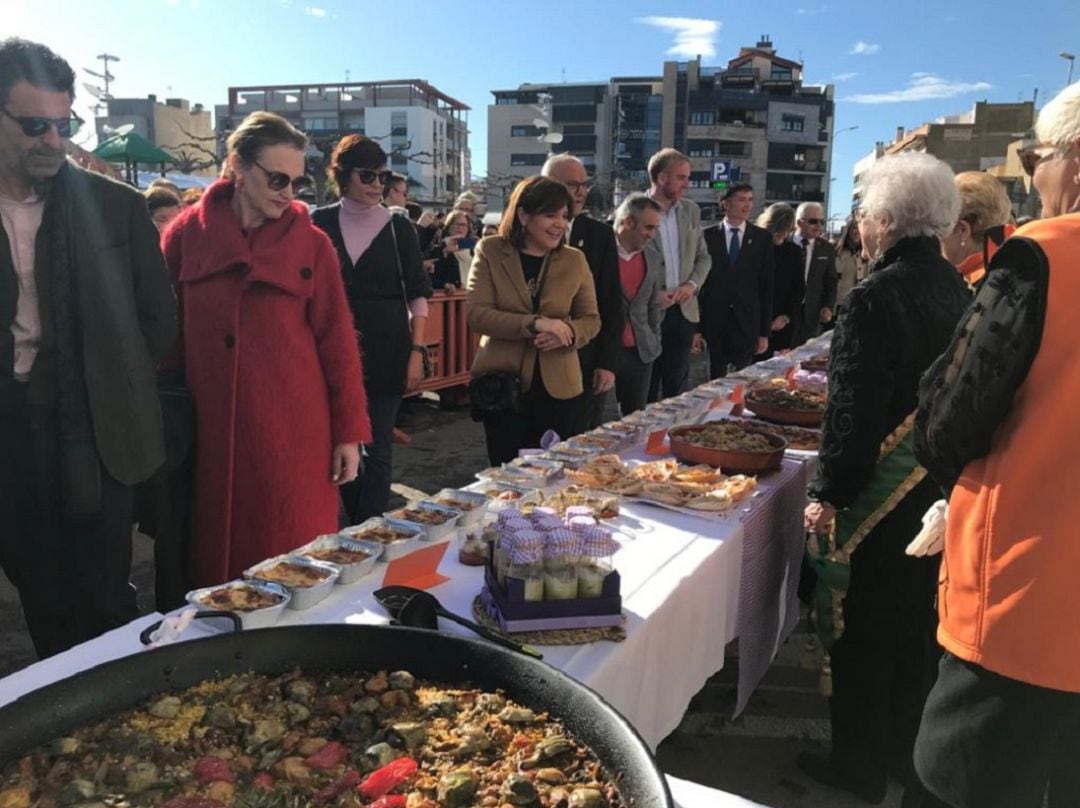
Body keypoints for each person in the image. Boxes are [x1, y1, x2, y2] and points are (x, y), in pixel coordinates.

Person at [912, 81, 1080, 808]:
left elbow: (949, 420)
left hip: (1029, 602)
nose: (1034, 173)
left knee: (967, 785)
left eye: (1037, 155)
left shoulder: (1043, 255)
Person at [799, 153, 972, 805]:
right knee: (910, 632)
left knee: (861, 631)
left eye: (865, 214)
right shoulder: (956, 287)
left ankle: (857, 764)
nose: (861, 227)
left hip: (876, 496)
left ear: (888, 220)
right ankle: (903, 753)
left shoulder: (874, 295)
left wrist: (827, 493)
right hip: (931, 490)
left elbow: (852, 409)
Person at [0, 38, 177, 656]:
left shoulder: (114, 207)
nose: (54, 139)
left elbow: (157, 321)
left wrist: (108, 377)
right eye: (34, 125)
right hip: (11, 434)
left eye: (64, 123)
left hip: (99, 430)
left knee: (105, 593)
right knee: (40, 592)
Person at [164, 112, 370, 585]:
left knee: (293, 569)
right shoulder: (183, 236)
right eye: (278, 178)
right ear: (238, 165)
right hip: (209, 437)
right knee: (219, 578)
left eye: (297, 182)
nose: (288, 193)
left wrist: (349, 432)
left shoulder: (313, 245)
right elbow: (165, 334)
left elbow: (337, 341)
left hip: (294, 437)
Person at [312, 135, 432, 524]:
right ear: (343, 176)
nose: (377, 183)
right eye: (368, 175)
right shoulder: (319, 223)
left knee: (377, 447)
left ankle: (369, 527)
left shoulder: (400, 228)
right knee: (337, 442)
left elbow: (418, 295)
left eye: (384, 175)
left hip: (388, 345)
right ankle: (358, 522)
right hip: (328, 347)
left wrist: (417, 352)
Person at [466, 176, 600, 464]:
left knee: (556, 476)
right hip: (502, 389)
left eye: (564, 216)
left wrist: (568, 331)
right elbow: (477, 315)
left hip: (560, 389)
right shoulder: (490, 250)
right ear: (524, 215)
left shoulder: (574, 259)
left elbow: (591, 319)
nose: (559, 224)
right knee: (505, 478)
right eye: (549, 215)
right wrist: (535, 324)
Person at [542, 153, 622, 431]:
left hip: (586, 362)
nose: (580, 192)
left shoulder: (600, 235)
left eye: (584, 185)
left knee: (582, 442)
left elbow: (611, 303)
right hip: (536, 363)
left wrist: (607, 363)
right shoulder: (523, 235)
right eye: (572, 185)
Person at [644, 148, 711, 400]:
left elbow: (704, 257)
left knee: (677, 389)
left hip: (684, 312)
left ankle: (671, 437)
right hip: (650, 313)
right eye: (682, 177)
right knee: (645, 389)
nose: (688, 184)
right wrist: (654, 295)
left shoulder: (691, 210)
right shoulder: (633, 210)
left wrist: (692, 285)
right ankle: (642, 439)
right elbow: (624, 264)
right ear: (662, 178)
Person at [698, 183, 774, 377]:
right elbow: (699, 284)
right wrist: (696, 329)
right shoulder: (706, 236)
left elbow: (766, 287)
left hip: (747, 323)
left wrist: (764, 332)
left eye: (750, 200)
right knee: (714, 381)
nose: (747, 205)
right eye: (741, 199)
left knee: (742, 382)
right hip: (714, 322)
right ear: (726, 204)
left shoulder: (762, 238)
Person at [612, 193, 663, 415]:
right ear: (627, 222)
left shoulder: (652, 257)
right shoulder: (600, 252)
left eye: (655, 229)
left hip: (641, 351)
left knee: (635, 419)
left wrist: (654, 336)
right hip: (606, 351)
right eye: (648, 228)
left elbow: (653, 304)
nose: (652, 235)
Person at [939, 170, 1014, 287]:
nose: (936, 238)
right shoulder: (1015, 267)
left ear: (962, 230)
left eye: (940, 228)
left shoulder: (964, 288)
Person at [754, 203, 802, 354]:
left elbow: (799, 287)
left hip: (782, 322)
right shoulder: (754, 247)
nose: (783, 235)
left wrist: (786, 316)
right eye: (779, 231)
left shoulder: (793, 252)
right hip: (755, 320)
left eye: (787, 230)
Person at [791, 201, 837, 346]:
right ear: (799, 222)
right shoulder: (784, 243)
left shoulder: (826, 248)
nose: (819, 226)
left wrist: (828, 307)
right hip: (785, 314)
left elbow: (830, 281)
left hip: (813, 314)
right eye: (813, 221)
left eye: (821, 221)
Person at [430, 208, 474, 289]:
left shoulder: (473, 249)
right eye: (456, 224)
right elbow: (431, 279)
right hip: (452, 297)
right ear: (448, 227)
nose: (460, 228)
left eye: (463, 225)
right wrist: (444, 285)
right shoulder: (438, 249)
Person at [833, 214, 867, 307]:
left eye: (861, 228)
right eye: (854, 228)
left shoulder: (867, 255)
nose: (857, 232)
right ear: (848, 230)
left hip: (857, 305)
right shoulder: (835, 252)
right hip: (836, 304)